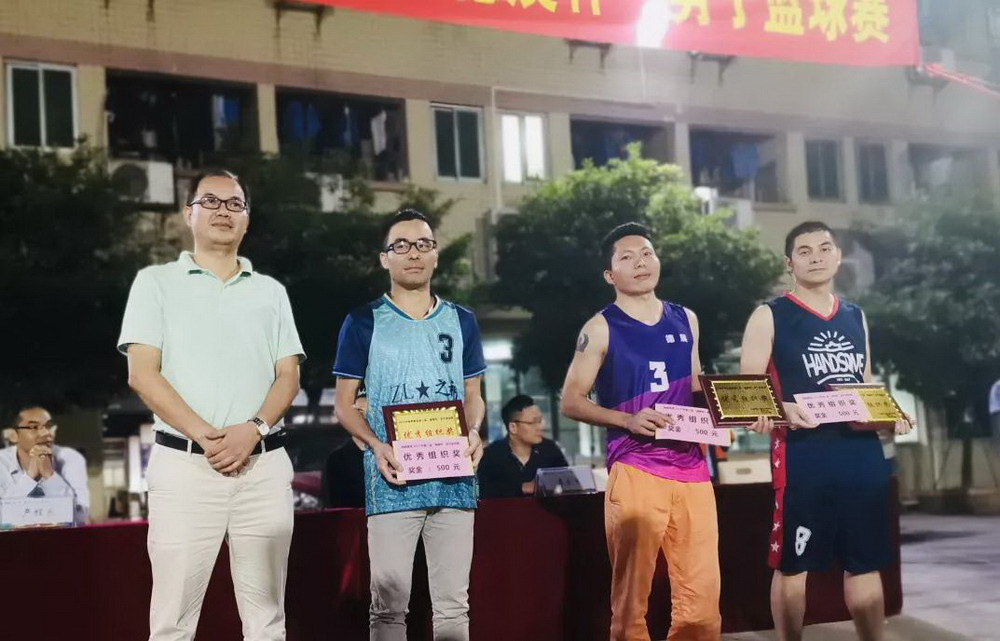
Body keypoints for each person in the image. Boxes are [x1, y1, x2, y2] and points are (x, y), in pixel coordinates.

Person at [118, 170, 305, 641]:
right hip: (185, 468)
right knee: (173, 622)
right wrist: (210, 437)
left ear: (247, 219)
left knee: (267, 620)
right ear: (189, 214)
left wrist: (253, 428)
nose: (224, 211)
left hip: (263, 467)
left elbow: (288, 375)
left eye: (235, 203)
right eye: (211, 201)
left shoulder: (271, 291)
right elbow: (142, 374)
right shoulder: (155, 283)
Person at [739, 221, 914, 641]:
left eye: (824, 248)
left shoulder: (855, 316)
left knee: (865, 562)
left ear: (838, 257)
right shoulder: (769, 315)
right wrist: (780, 409)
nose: (816, 257)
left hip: (861, 456)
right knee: (793, 565)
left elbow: (865, 385)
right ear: (789, 263)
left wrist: (889, 417)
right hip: (803, 455)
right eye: (804, 251)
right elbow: (746, 394)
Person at [561, 222, 720, 641]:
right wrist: (627, 420)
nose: (640, 263)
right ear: (609, 274)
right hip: (636, 467)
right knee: (632, 602)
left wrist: (732, 411)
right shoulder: (600, 327)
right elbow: (571, 401)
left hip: (693, 469)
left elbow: (696, 382)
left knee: (702, 601)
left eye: (647, 253)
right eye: (627, 257)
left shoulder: (686, 318)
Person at [333, 209, 486, 641]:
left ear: (435, 254)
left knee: (454, 607)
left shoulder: (462, 320)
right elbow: (344, 406)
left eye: (423, 244)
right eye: (401, 245)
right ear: (385, 258)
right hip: (392, 478)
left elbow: (473, 395)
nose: (413, 253)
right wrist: (375, 445)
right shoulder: (363, 321)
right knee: (388, 610)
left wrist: (474, 431)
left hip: (454, 476)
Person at [0, 406, 90, 524]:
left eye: (49, 426)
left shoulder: (70, 458)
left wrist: (50, 475)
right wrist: (30, 476)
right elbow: (3, 519)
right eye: (33, 427)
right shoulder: (2, 462)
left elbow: (80, 517)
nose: (46, 433)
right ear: (13, 435)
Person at [478, 394, 568, 498]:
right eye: (533, 422)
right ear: (513, 427)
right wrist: (522, 488)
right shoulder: (492, 455)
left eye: (540, 421)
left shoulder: (550, 450)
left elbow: (570, 483)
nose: (540, 427)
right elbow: (486, 493)